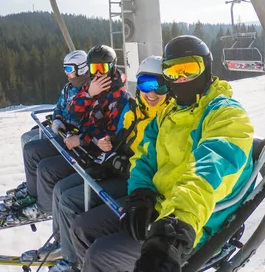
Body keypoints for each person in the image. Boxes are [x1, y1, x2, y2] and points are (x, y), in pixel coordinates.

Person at [69, 35, 255, 272]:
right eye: (172, 71)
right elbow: (143, 157)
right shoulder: (169, 113)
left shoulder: (224, 113)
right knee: (82, 227)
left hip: (193, 220)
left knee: (101, 255)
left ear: (206, 68)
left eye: (189, 69)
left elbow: (210, 170)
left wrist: (176, 227)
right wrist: (140, 193)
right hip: (158, 203)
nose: (181, 78)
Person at [46, 56, 172, 271]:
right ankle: (71, 253)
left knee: (71, 201)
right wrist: (104, 143)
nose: (151, 93)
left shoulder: (165, 117)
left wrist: (111, 155)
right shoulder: (134, 109)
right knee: (64, 195)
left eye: (159, 86)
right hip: (116, 168)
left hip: (135, 180)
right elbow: (90, 124)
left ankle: (75, 260)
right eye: (144, 84)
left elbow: (153, 161)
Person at [11, 45, 130, 224]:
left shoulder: (119, 97)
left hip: (96, 156)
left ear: (112, 67)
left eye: (102, 68)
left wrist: (82, 140)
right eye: (94, 68)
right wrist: (89, 94)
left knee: (49, 172)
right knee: (39, 158)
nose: (98, 73)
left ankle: (45, 209)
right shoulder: (91, 87)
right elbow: (74, 112)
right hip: (83, 147)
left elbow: (110, 135)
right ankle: (41, 201)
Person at [5, 50, 90, 211]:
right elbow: (59, 107)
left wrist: (70, 127)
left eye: (69, 70)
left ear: (82, 68)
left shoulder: (89, 90)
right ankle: (33, 189)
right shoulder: (68, 88)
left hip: (73, 137)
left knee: (36, 151)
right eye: (65, 69)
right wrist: (57, 119)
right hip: (62, 130)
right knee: (28, 140)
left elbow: (81, 114)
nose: (66, 74)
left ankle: (41, 199)